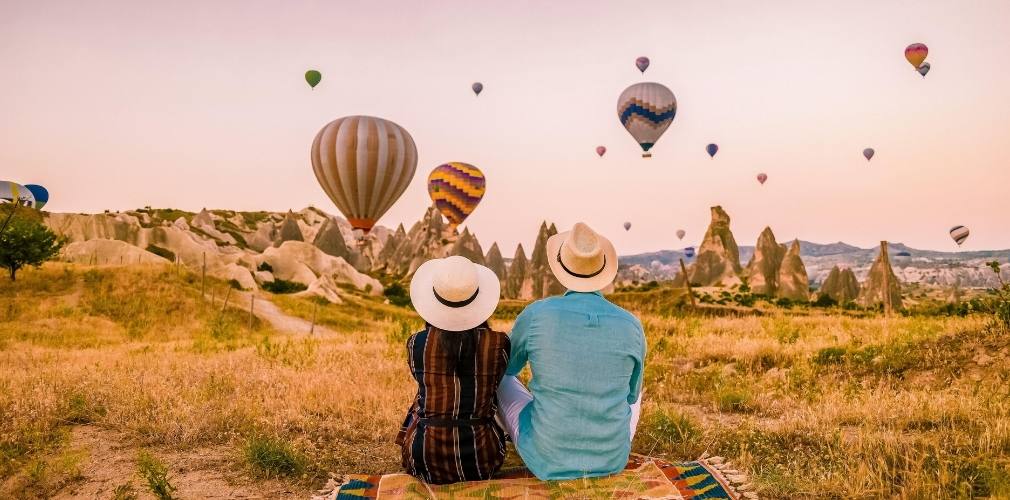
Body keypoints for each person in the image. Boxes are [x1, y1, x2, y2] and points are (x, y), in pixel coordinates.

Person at [497, 222, 646, 480]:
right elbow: (631, 397)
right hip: (612, 459)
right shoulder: (631, 324)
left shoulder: (536, 315)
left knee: (500, 379)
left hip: (545, 458)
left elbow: (507, 367)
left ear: (561, 269)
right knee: (637, 396)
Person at [396, 256, 511, 485]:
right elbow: (495, 382)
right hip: (482, 460)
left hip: (425, 458)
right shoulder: (499, 344)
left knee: (423, 396)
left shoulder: (417, 344)